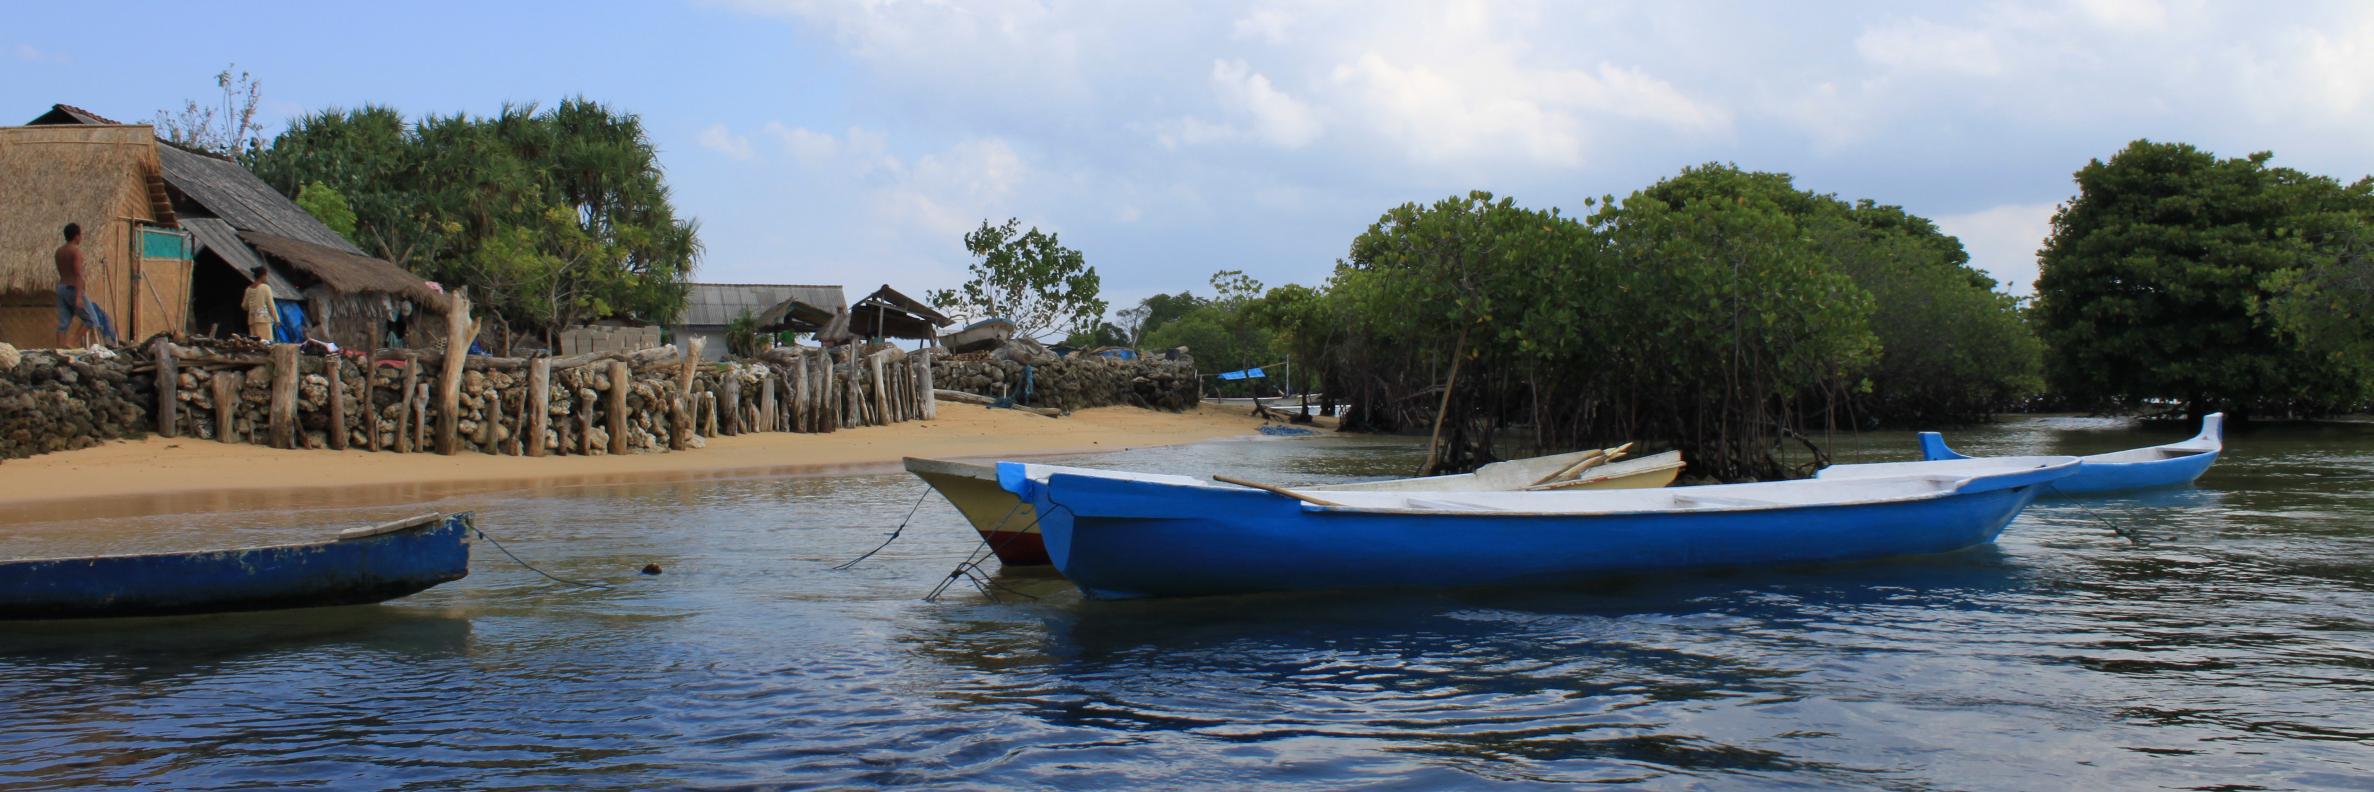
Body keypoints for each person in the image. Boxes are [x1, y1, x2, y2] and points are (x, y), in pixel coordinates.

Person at [54, 222, 101, 349]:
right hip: (73, 289)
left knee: (64, 322)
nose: (81, 238)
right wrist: (79, 296)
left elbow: (62, 270)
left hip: (61, 288)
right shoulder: (76, 252)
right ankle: (71, 343)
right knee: (91, 319)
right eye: (80, 235)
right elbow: (78, 274)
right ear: (76, 236)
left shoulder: (59, 251)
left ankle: (59, 347)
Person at [242, 271, 277, 341]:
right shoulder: (265, 288)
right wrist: (276, 319)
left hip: (252, 321)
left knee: (256, 344)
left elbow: (244, 306)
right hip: (264, 321)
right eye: (266, 276)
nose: (266, 278)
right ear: (262, 276)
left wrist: (253, 306)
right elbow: (271, 305)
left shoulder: (248, 289)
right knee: (267, 343)